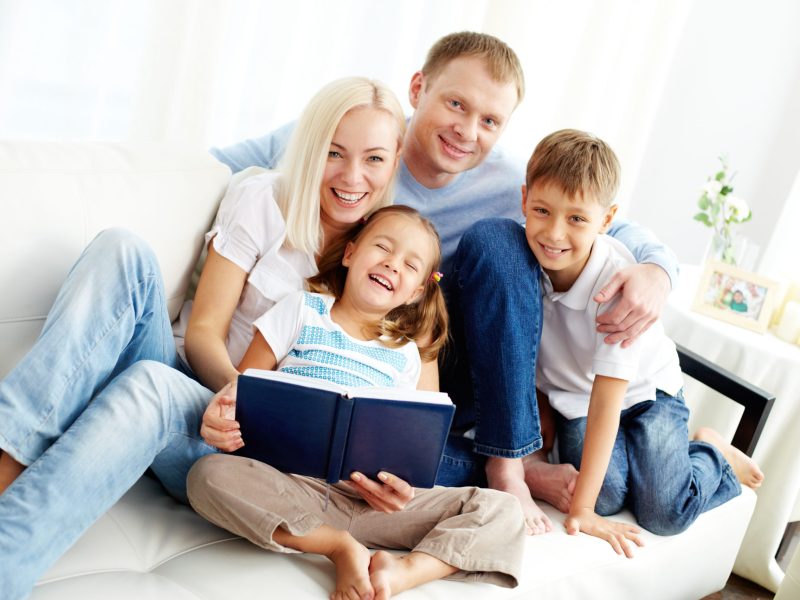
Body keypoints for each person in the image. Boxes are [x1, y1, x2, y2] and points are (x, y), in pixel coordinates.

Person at [211, 31, 681, 533]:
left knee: (498, 242)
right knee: (367, 459)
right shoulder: (361, 139)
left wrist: (658, 270)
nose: (467, 130)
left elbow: (602, 220)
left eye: (490, 121)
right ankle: (518, 467)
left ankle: (507, 464)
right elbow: (223, 162)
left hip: (437, 349)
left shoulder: (513, 185)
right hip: (350, 351)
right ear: (418, 89)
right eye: (456, 104)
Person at [0, 77, 410, 599]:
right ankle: (8, 458)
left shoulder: (389, 251)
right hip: (202, 389)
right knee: (122, 250)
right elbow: (203, 334)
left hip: (241, 460)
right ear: (311, 148)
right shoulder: (264, 198)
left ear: (396, 158)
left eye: (374, 158)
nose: (352, 176)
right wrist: (237, 393)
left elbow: (405, 395)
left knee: (153, 385)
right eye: (334, 152)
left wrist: (391, 478)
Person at [188, 206, 525, 599]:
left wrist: (403, 490)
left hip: (374, 507)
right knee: (207, 475)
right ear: (350, 253)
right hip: (292, 488)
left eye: (410, 264)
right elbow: (243, 393)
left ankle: (401, 574)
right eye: (382, 247)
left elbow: (415, 453)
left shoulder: (406, 355)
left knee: (502, 509)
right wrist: (227, 420)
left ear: (416, 292)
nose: (391, 264)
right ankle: (336, 545)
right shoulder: (300, 310)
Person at [504, 128, 763, 556]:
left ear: (606, 221)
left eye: (577, 219)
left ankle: (711, 453)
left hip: (646, 394)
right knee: (605, 493)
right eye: (542, 210)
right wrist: (589, 502)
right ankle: (652, 465)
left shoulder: (613, 283)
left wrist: (582, 513)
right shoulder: (517, 265)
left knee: (664, 512)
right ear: (524, 200)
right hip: (577, 401)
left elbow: (608, 399)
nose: (554, 233)